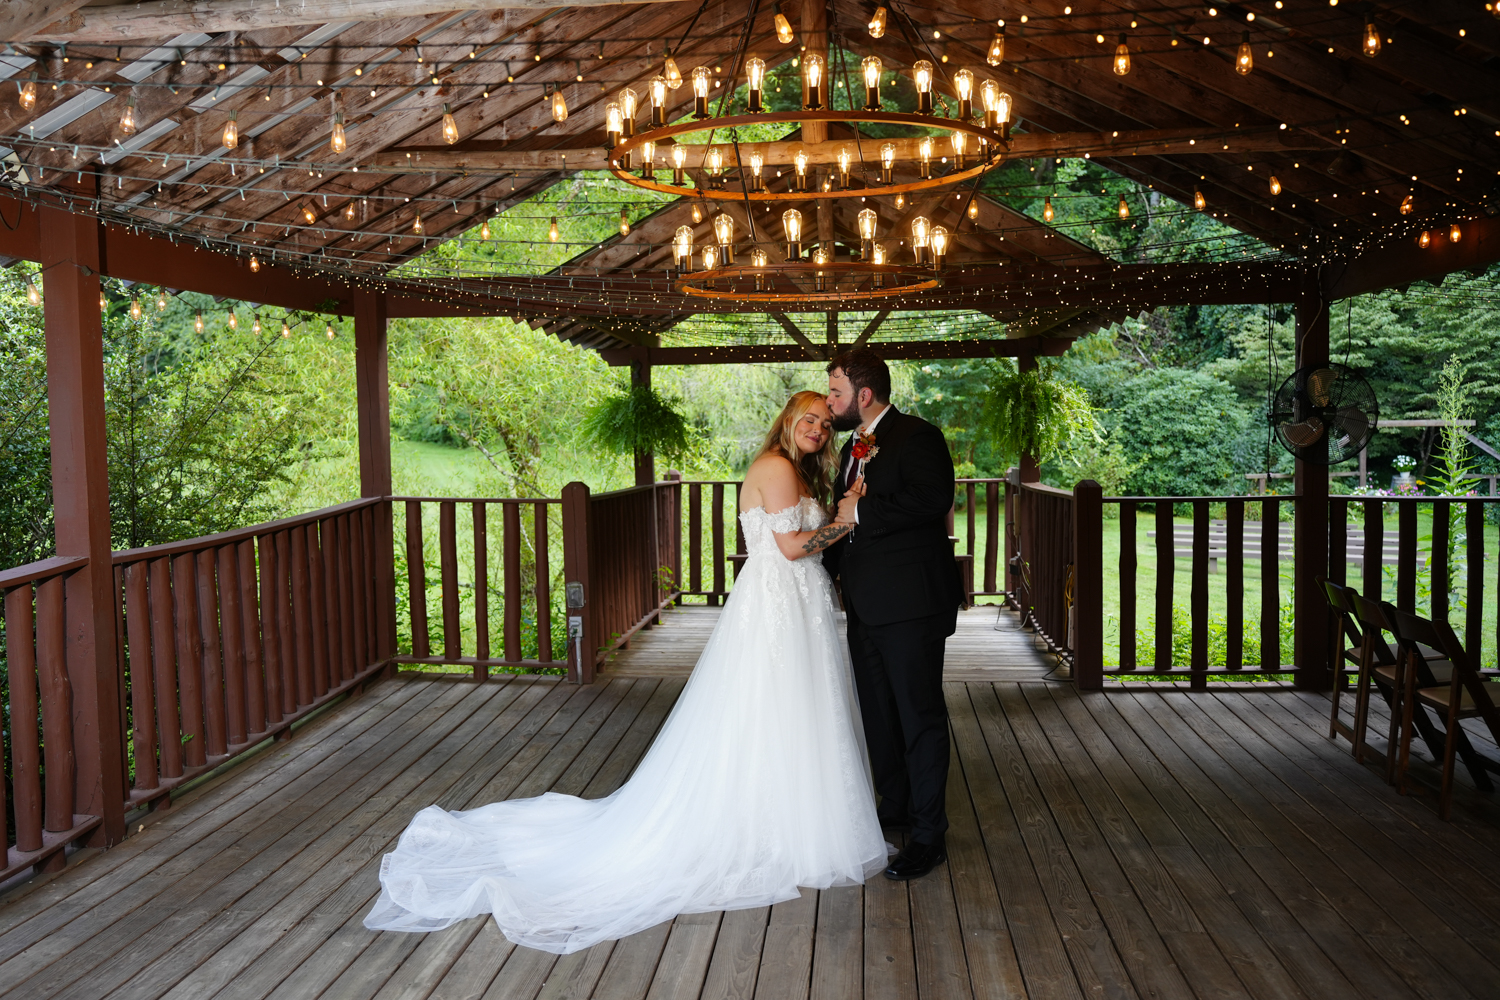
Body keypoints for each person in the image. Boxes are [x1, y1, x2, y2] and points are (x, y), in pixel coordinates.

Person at [365, 391, 887, 955]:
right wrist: (844, 519)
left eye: (823, 422)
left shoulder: (801, 471)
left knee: (795, 712)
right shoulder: (777, 467)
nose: (816, 427)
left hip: (796, 604)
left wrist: (843, 504)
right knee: (776, 709)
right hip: (779, 605)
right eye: (806, 418)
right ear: (786, 422)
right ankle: (773, 829)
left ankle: (795, 824)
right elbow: (790, 548)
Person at [823, 348, 963, 880]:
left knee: (919, 717)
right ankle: (896, 808)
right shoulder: (850, 451)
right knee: (878, 715)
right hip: (864, 605)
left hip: (911, 606)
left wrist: (863, 509)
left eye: (835, 393)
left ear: (864, 395)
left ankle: (929, 835)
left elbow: (933, 499)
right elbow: (843, 522)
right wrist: (818, 568)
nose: (831, 402)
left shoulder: (917, 436)